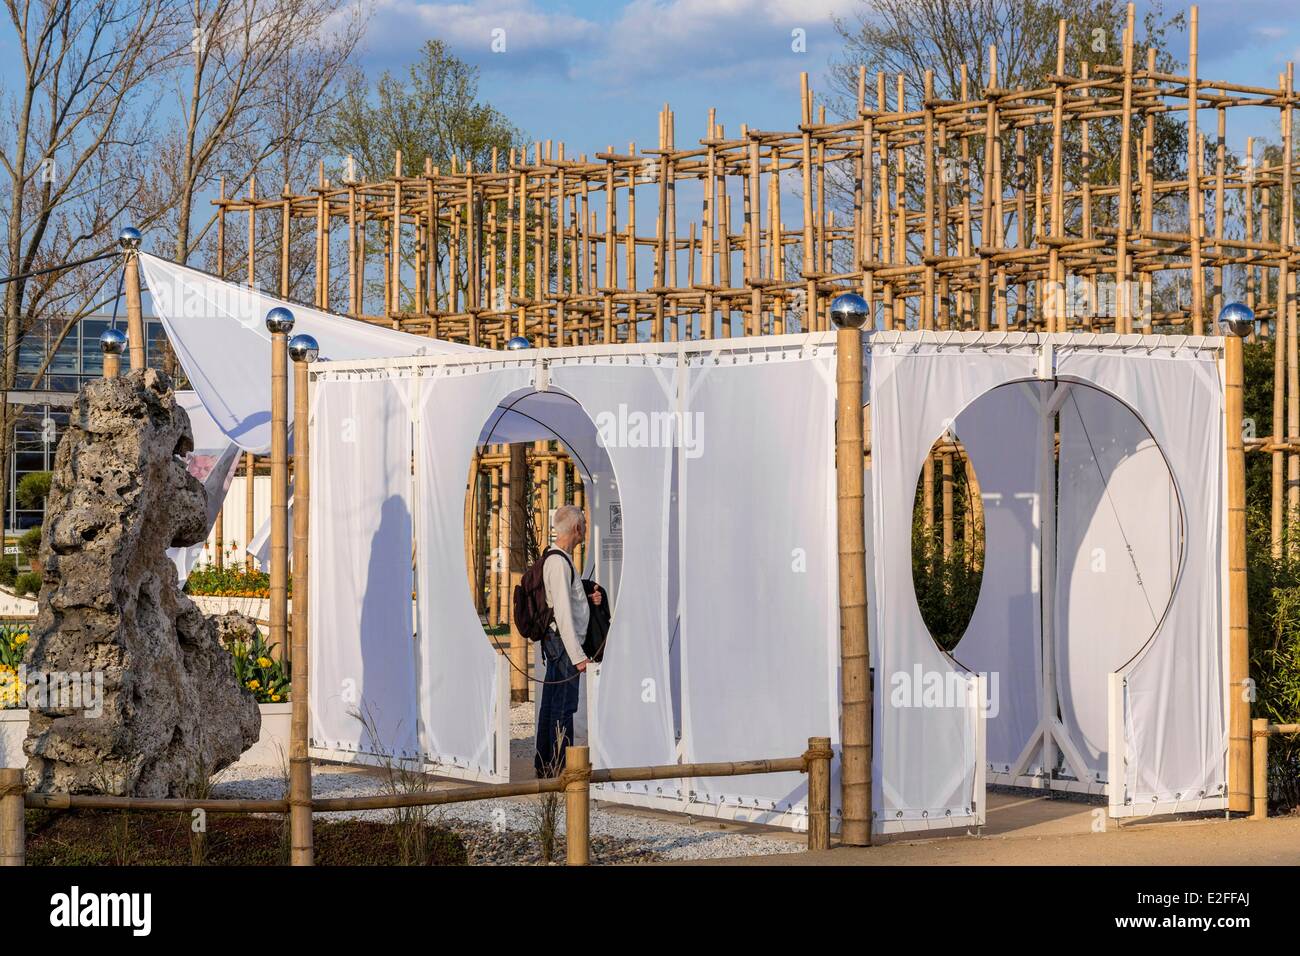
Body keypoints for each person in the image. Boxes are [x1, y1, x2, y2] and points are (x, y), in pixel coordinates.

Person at [534, 503, 601, 776]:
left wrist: (587, 596)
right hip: (562, 645)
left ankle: (546, 763)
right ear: (576, 528)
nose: (584, 530)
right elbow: (562, 612)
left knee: (553, 702)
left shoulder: (557, 559)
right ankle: (561, 767)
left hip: (559, 644)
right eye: (583, 525)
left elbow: (567, 602)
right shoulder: (558, 562)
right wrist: (578, 656)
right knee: (563, 706)